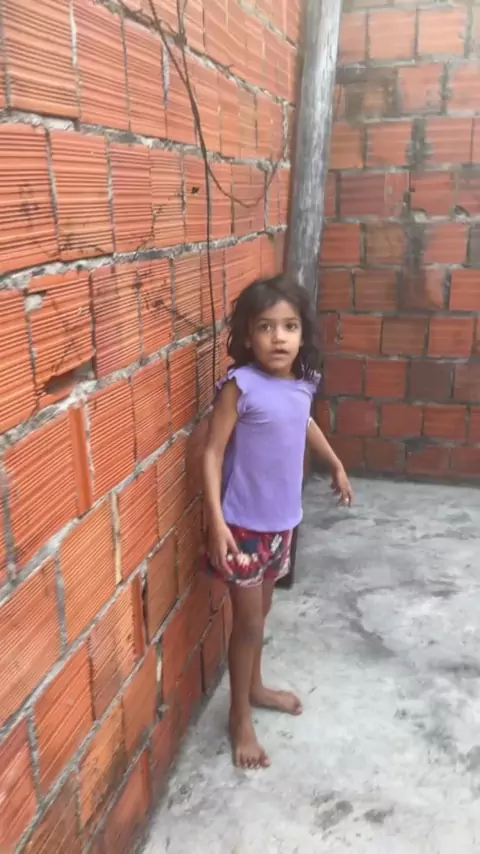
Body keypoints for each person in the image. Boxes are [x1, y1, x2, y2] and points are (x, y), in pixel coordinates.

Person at [203, 275, 353, 770]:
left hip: (282, 524)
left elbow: (304, 422)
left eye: (289, 326)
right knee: (247, 623)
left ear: (303, 334)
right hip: (242, 527)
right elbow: (212, 452)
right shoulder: (240, 387)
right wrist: (216, 520)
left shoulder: (302, 384)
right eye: (266, 327)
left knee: (261, 614)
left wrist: (335, 463)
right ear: (248, 336)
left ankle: (255, 687)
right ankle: (239, 717)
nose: (279, 337)